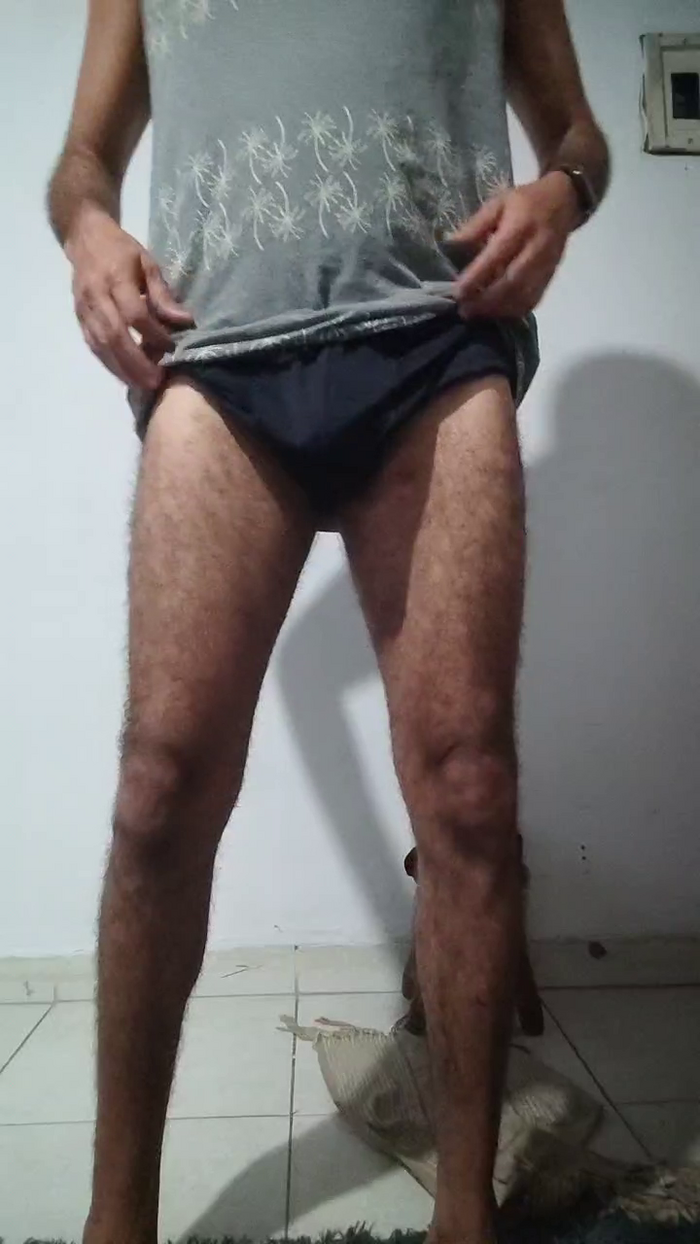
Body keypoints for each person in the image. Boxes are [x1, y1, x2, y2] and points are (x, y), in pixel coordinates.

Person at [47, 2, 609, 1242]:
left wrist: (562, 192)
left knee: (468, 793)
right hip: (218, 355)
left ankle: (464, 1213)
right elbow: (81, 157)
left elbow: (578, 133)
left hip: (438, 344)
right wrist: (89, 227)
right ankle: (114, 1217)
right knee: (158, 788)